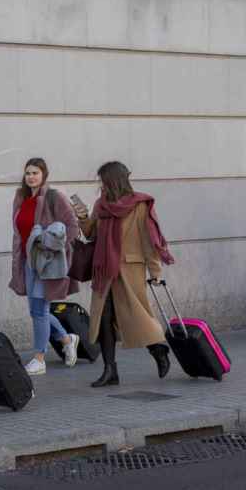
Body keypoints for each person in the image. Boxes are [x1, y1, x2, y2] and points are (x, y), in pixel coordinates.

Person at [78, 162, 174, 388]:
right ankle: (110, 371)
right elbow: (91, 234)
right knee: (104, 320)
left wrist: (155, 271)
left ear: (113, 180)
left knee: (137, 316)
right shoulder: (101, 204)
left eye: (103, 180)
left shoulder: (139, 205)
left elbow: (148, 240)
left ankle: (158, 349)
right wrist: (83, 217)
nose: (100, 184)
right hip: (104, 271)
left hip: (129, 269)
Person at [8, 158, 81, 376]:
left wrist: (54, 247)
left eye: (35, 173)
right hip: (27, 261)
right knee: (36, 310)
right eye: (28, 173)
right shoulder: (20, 197)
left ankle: (39, 358)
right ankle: (68, 339)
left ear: (44, 175)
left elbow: (73, 226)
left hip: (45, 262)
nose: (31, 177)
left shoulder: (53, 196)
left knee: (40, 310)